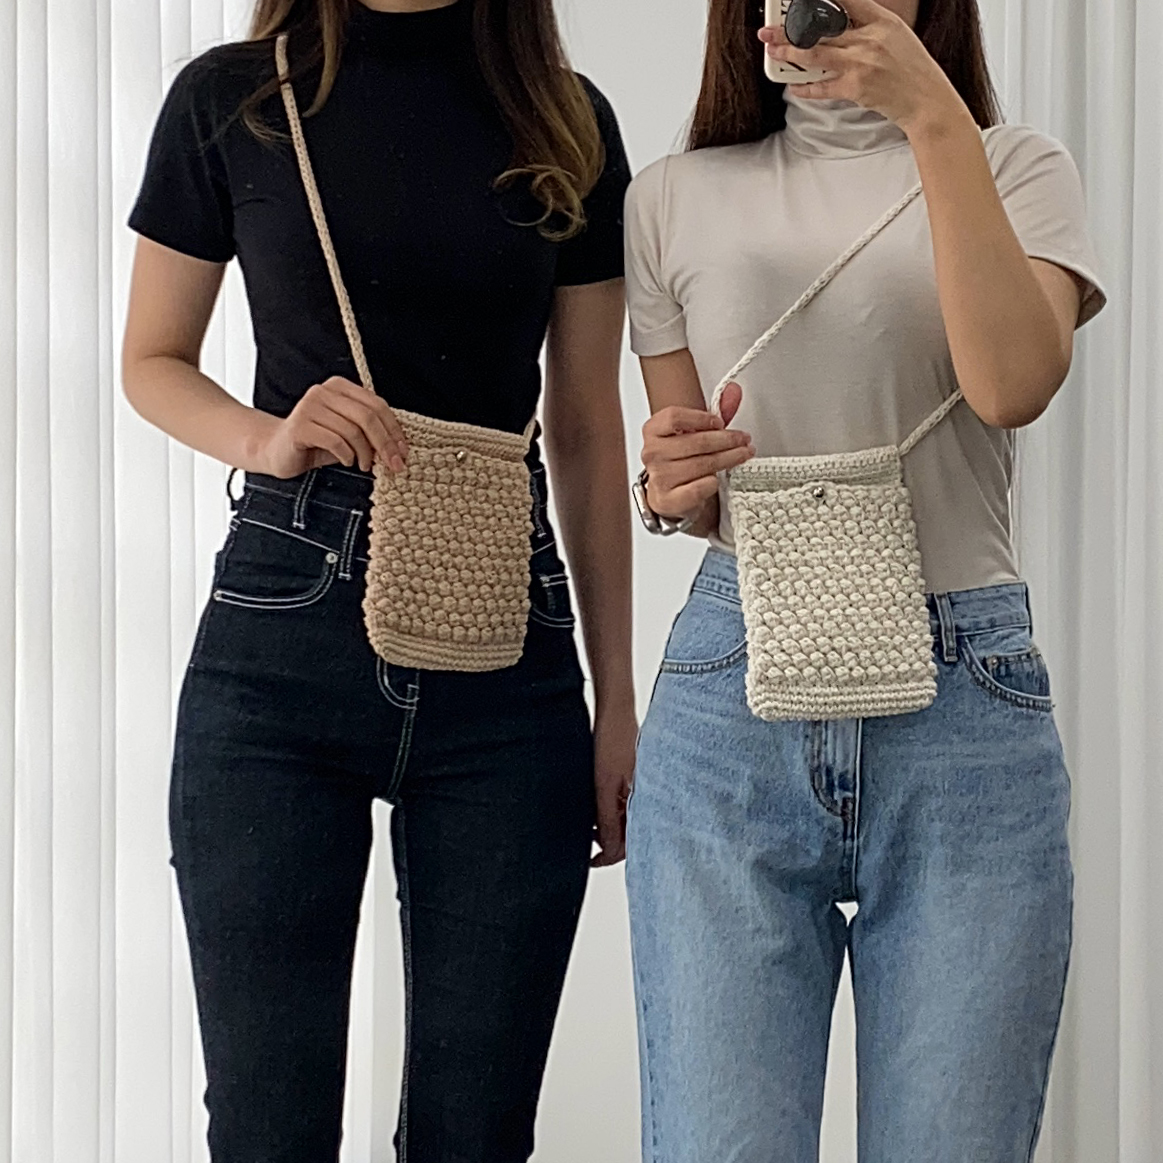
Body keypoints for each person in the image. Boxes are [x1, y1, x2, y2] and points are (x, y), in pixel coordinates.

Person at [121, 1, 636, 1159]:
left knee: (477, 1132)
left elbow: (585, 426)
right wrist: (266, 437)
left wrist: (616, 703)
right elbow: (151, 359)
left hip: (507, 644)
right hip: (281, 629)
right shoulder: (234, 99)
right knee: (266, 1128)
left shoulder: (567, 120)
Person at [623, 0, 1106, 1159]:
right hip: (732, 683)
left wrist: (931, 116)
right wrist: (669, 483)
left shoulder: (1015, 167)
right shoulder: (670, 195)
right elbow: (694, 482)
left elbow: (1010, 385)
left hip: (963, 703)